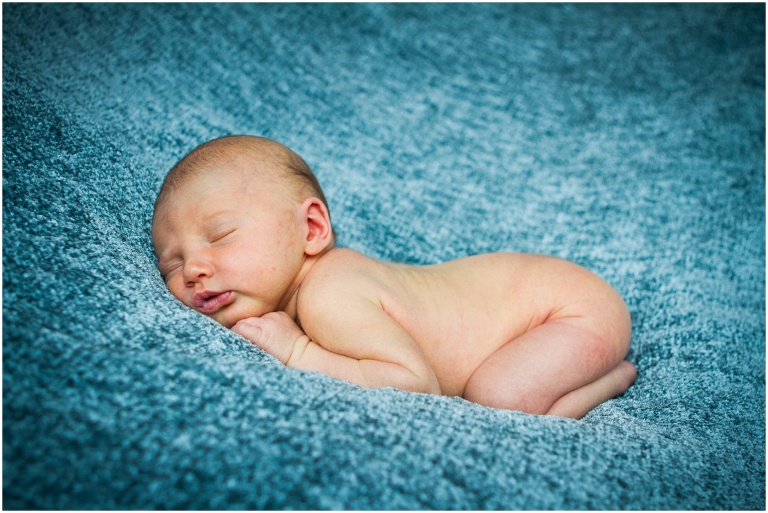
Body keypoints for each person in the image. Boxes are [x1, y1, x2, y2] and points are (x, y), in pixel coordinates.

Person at [152, 135, 637, 419]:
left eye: (220, 235)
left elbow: (413, 383)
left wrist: (299, 353)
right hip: (532, 293)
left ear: (313, 228)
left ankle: (609, 379)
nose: (193, 268)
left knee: (501, 397)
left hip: (569, 308)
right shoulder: (318, 290)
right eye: (171, 263)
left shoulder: (329, 294)